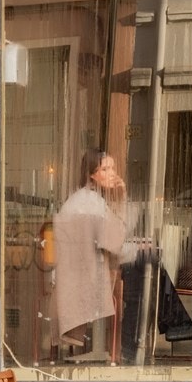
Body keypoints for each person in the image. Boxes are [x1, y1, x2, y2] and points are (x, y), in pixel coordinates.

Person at [50, 149, 127, 354]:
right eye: (105, 169)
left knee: (146, 265)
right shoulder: (91, 202)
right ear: (92, 174)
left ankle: (172, 320)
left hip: (76, 272)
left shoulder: (85, 199)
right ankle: (128, 349)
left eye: (113, 168)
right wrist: (122, 198)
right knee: (146, 269)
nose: (112, 173)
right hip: (84, 274)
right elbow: (115, 241)